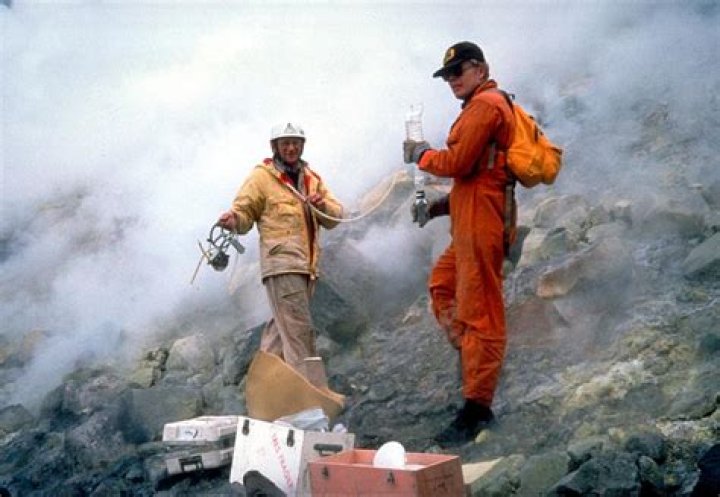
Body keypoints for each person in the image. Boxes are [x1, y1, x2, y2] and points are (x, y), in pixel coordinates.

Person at [404, 41, 516, 447]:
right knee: (442, 285)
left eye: (459, 71)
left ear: (480, 69)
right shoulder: (475, 108)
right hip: (470, 222)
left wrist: (422, 154)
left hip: (483, 225)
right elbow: (472, 179)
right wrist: (437, 208)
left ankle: (477, 408)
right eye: (447, 75)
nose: (452, 80)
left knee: (482, 315)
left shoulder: (486, 105)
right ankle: (472, 359)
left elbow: (458, 163)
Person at [218, 122, 344, 390]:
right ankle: (311, 397)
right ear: (274, 147)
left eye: (296, 143)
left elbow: (336, 216)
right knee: (299, 331)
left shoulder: (312, 179)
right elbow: (244, 212)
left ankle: (264, 394)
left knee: (281, 330)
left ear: (302, 146)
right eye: (285, 143)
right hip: (282, 264)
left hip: (306, 267)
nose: (291, 148)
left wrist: (322, 206)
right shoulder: (261, 177)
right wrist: (233, 220)